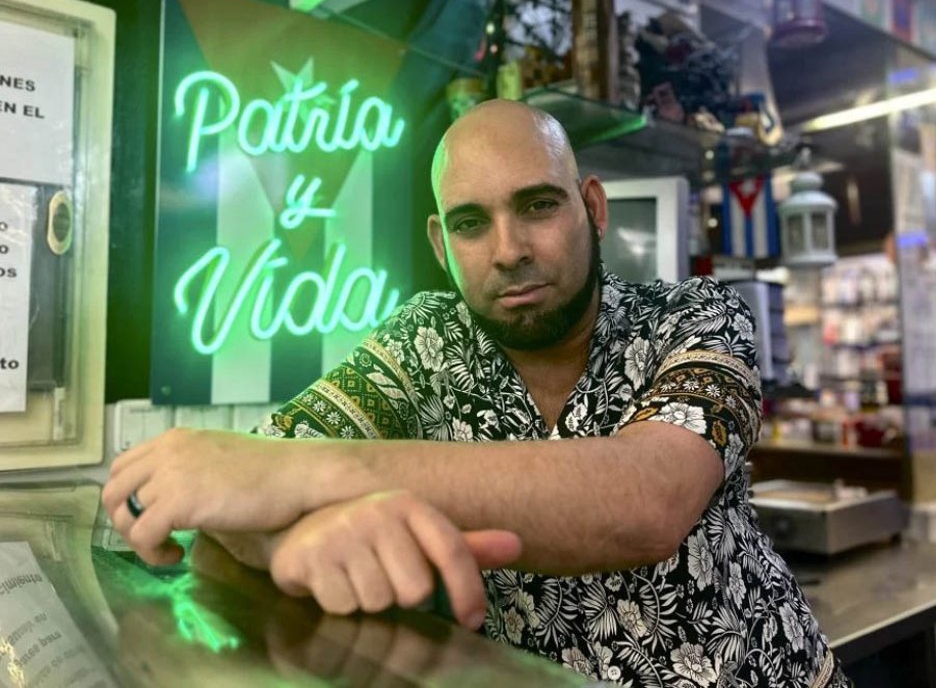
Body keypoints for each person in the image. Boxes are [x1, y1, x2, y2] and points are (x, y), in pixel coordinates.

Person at [103, 100, 847, 687]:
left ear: (592, 205)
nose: (508, 250)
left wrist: (319, 477)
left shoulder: (699, 316)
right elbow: (248, 481)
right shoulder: (423, 342)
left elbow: (648, 498)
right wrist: (287, 538)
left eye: (537, 206)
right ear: (439, 243)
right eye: (470, 222)